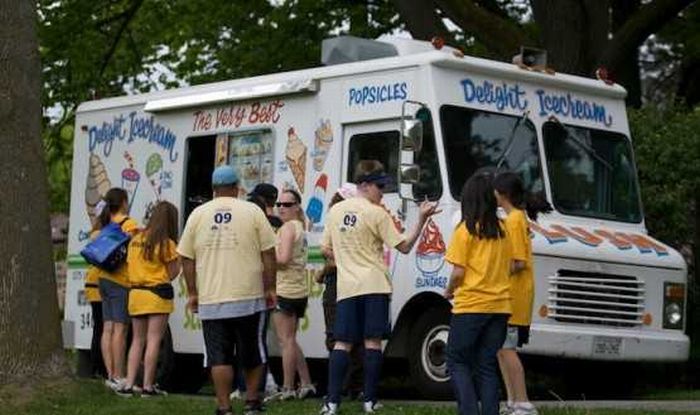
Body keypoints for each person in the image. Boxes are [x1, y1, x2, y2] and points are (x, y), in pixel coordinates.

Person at [320, 160, 439, 414]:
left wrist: (343, 257)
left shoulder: (335, 212)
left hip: (347, 288)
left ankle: (331, 403)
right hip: (374, 285)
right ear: (364, 184)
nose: (382, 191)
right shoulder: (376, 213)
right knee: (372, 343)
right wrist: (421, 218)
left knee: (342, 343)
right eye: (379, 186)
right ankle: (369, 401)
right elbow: (404, 246)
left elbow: (324, 248)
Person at [178, 166, 277, 415]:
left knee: (218, 356)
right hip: (249, 295)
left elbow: (186, 258)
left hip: (211, 298)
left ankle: (224, 407)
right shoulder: (253, 211)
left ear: (213, 189)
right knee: (252, 352)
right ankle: (252, 402)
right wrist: (270, 287)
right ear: (237, 187)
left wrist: (192, 292)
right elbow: (268, 253)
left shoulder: (198, 214)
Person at [443, 170, 512, 415]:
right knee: (486, 365)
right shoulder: (504, 230)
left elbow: (459, 273)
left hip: (471, 306)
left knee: (457, 361)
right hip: (501, 307)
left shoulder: (465, 231)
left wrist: (449, 291)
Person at [493, 172, 551, 415]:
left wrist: (494, 272)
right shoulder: (515, 218)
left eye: (494, 190)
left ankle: (523, 401)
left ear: (502, 193)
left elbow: (518, 262)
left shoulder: (515, 220)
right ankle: (512, 402)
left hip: (514, 295)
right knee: (500, 349)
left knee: (507, 348)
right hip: (512, 293)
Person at [117, 201, 181, 397]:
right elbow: (171, 274)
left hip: (136, 294)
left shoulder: (135, 239)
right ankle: (147, 386)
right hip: (157, 295)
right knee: (154, 341)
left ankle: (128, 384)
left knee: (137, 340)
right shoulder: (167, 244)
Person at [315, 183, 363, 399]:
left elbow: (338, 259)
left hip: (337, 284)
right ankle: (355, 386)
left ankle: (341, 387)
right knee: (357, 337)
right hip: (358, 283)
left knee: (336, 337)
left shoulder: (337, 223)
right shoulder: (361, 223)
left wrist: (322, 272)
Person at [267, 189, 315, 401]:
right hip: (299, 291)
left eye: (287, 204)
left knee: (285, 341)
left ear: (297, 206)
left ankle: (287, 388)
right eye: (279, 204)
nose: (281, 208)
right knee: (291, 340)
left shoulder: (287, 229)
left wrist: (266, 258)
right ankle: (305, 382)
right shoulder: (300, 228)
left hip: (285, 290)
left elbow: (283, 259)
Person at [98, 188, 139, 390]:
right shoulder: (128, 224)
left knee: (108, 328)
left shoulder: (104, 223)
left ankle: (110, 375)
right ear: (123, 202)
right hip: (120, 280)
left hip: (103, 279)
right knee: (121, 329)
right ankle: (120, 376)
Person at [85, 202, 107, 379]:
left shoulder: (95, 233)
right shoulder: (101, 235)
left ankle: (96, 367)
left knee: (99, 327)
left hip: (93, 284)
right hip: (98, 284)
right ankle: (98, 367)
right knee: (101, 327)